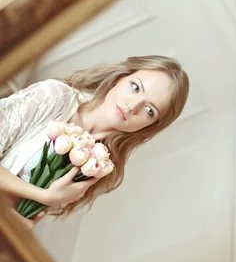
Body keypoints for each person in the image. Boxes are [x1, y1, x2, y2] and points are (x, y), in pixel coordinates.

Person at [0, 55, 189, 229]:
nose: (133, 106)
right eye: (135, 87)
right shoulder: (54, 97)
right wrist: (44, 196)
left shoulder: (102, 169)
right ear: (119, 78)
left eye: (149, 110)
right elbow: (46, 198)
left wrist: (25, 225)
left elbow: (31, 214)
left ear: (150, 126)